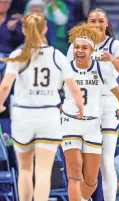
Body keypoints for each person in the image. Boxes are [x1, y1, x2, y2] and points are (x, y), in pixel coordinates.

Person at [0, 13, 84, 201]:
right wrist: (80, 107)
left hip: (23, 116)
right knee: (44, 171)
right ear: (45, 28)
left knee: (24, 169)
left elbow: (5, 86)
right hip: (48, 115)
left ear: (23, 30)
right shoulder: (56, 55)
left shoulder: (18, 55)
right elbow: (74, 88)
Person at [61, 23, 119, 201]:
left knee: (91, 181)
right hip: (70, 123)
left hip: (93, 125)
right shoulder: (64, 68)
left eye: (84, 47)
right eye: (76, 47)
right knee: (74, 172)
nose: (80, 51)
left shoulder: (101, 69)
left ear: (92, 50)